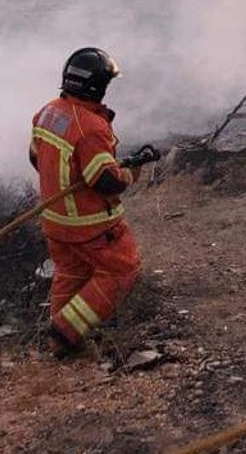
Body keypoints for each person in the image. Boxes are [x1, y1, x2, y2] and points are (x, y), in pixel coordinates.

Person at [29, 47, 157, 358]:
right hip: (90, 225)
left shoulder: (48, 113)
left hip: (55, 222)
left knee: (71, 273)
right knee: (121, 270)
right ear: (96, 86)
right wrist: (131, 173)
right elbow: (106, 181)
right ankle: (65, 332)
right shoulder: (91, 127)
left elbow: (36, 157)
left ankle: (57, 344)